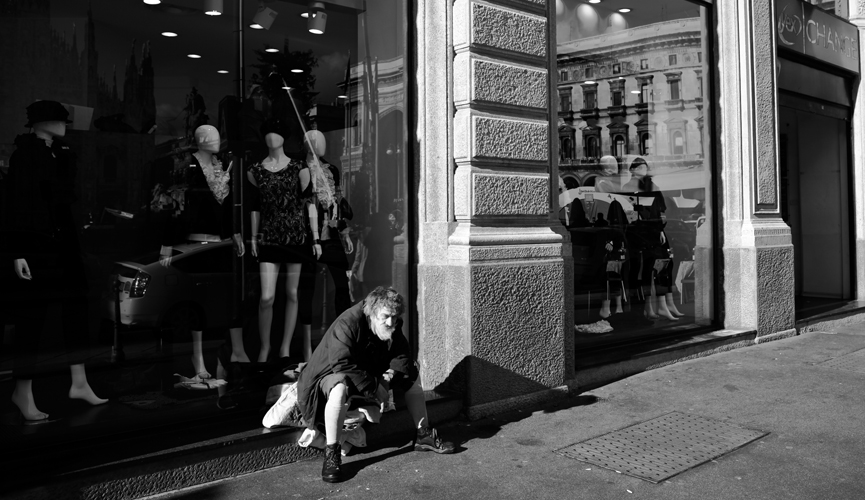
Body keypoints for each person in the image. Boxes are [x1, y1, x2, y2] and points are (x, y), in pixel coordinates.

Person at [1, 100, 108, 422]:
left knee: (76, 310)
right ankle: (23, 390)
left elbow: (67, 201)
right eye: (60, 120)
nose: (66, 125)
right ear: (42, 122)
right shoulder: (25, 156)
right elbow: (17, 204)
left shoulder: (62, 155)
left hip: (65, 245)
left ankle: (79, 381)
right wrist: (18, 251)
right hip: (37, 246)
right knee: (32, 320)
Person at [296, 286, 454, 483]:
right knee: (339, 388)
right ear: (371, 312)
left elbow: (402, 354)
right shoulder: (348, 322)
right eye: (386, 316)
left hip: (365, 374)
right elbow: (341, 364)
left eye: (395, 318)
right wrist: (374, 389)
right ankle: (332, 453)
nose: (391, 322)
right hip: (328, 376)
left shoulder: (392, 323)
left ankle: (423, 434)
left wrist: (386, 380)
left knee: (411, 371)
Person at [159, 125, 247, 379]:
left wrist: (236, 233)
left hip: (219, 246)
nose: (218, 141)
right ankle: (197, 359)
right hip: (194, 245)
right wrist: (167, 244)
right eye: (213, 137)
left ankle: (222, 356)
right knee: (197, 303)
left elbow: (229, 206)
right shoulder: (190, 168)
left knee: (220, 302)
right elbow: (176, 206)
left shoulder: (220, 167)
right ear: (201, 141)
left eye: (219, 136)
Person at [248, 118, 319, 363]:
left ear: (284, 137)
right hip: (268, 237)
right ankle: (265, 347)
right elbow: (255, 207)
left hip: (295, 236)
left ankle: (285, 348)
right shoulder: (255, 171)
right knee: (266, 297)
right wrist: (254, 237)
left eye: (276, 132)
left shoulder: (300, 168)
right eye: (267, 132)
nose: (271, 137)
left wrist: (316, 238)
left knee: (291, 293)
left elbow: (309, 205)